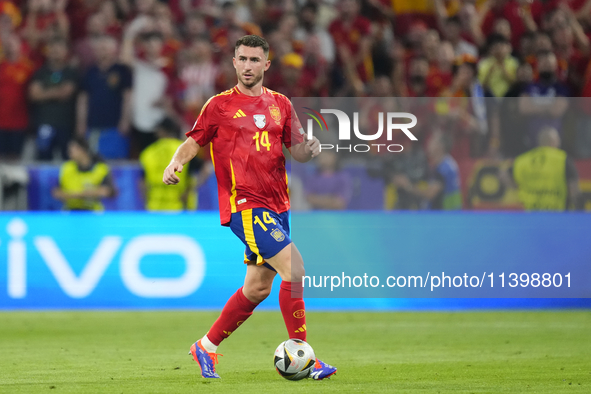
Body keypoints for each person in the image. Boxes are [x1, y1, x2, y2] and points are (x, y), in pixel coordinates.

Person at [162, 35, 337, 380]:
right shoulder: (219, 106)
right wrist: (175, 162)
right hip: (245, 206)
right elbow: (193, 141)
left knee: (257, 288)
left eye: (254, 60)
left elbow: (296, 150)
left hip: (278, 206)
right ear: (233, 62)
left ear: (266, 65)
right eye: (242, 59)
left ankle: (206, 346)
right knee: (296, 271)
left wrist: (310, 149)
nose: (247, 66)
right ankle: (303, 355)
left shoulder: (282, 105)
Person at [139, 118, 206, 211]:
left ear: (160, 131)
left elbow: (142, 183)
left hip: (155, 206)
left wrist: (146, 201)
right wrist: (192, 189)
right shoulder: (184, 150)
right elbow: (206, 169)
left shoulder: (148, 152)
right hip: (180, 206)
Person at [28, 36, 78, 161]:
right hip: (43, 122)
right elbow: (34, 95)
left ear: (66, 51)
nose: (55, 51)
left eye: (59, 48)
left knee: (67, 159)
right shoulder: (40, 72)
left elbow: (66, 93)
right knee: (43, 159)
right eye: (53, 48)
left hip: (65, 124)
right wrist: (57, 91)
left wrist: (44, 92)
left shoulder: (71, 72)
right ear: (48, 51)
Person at [512, 127, 580, 211]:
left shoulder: (522, 160)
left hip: (530, 212)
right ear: (553, 142)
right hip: (557, 214)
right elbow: (573, 189)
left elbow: (515, 184)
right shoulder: (563, 159)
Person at [52, 137, 116, 211]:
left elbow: (108, 191)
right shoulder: (66, 168)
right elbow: (57, 192)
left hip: (93, 211)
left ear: (82, 150)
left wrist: (75, 194)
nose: (69, 153)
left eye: (71, 151)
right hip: (70, 211)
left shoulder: (100, 168)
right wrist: (88, 193)